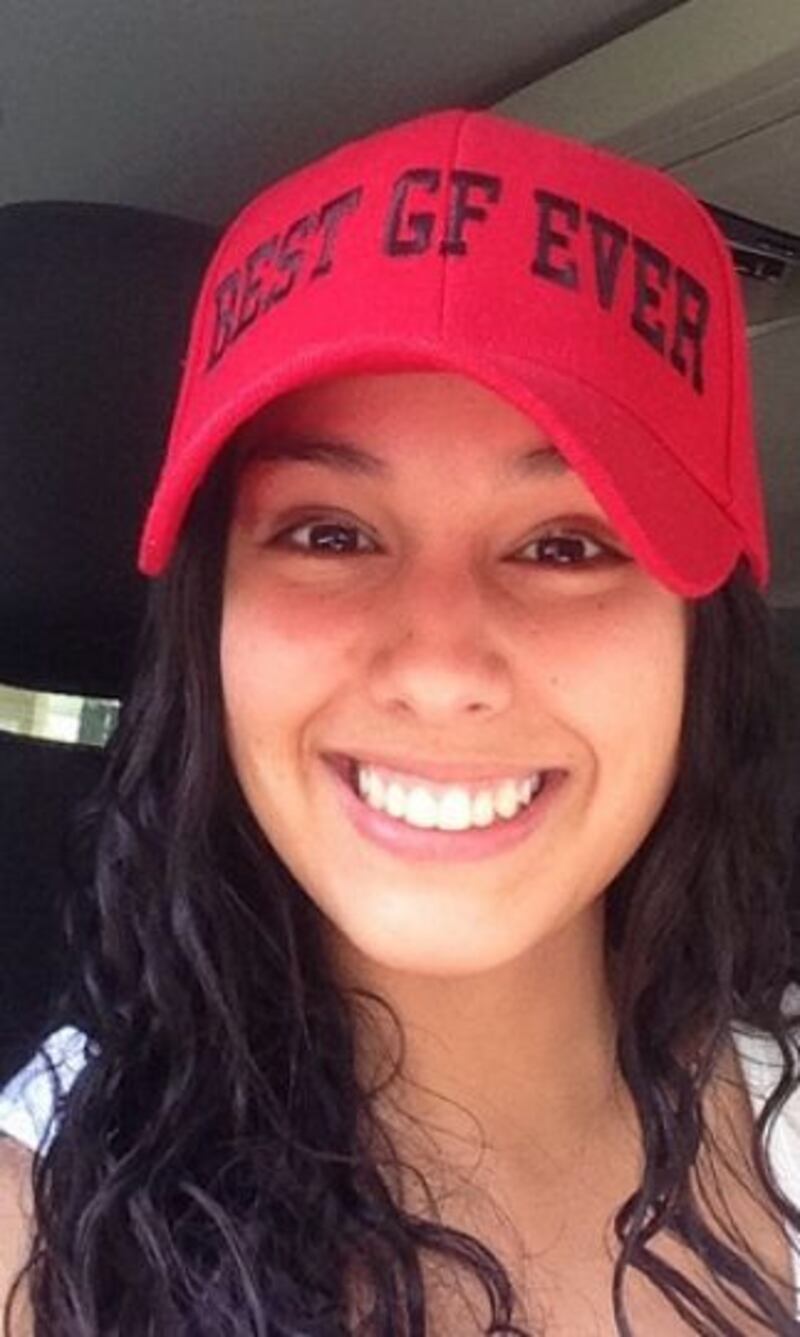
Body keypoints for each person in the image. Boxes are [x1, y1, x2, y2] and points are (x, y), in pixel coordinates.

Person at [1, 105, 799, 1337]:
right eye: (328, 533)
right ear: (211, 624)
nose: (435, 667)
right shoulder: (36, 1237)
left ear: (701, 640)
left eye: (562, 544)